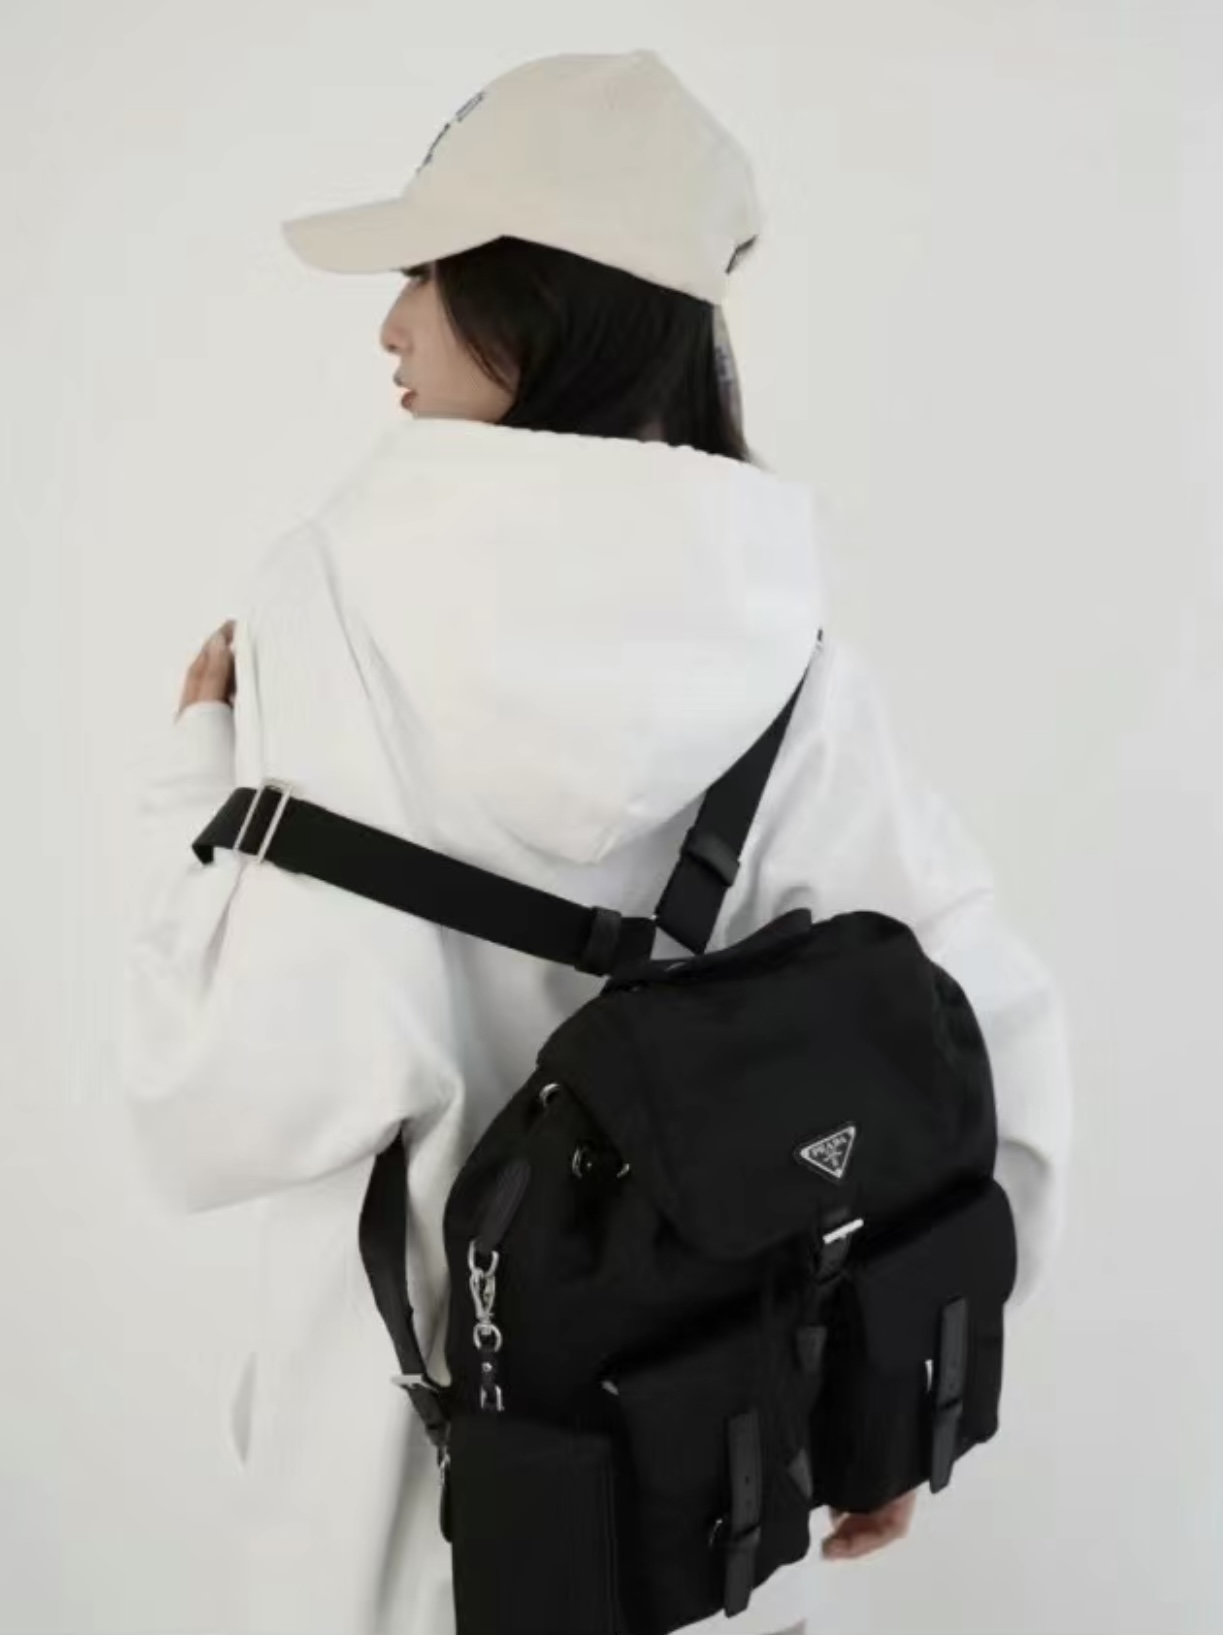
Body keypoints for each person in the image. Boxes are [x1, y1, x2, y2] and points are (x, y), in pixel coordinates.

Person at [123, 48, 1074, 1635]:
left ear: (535, 298)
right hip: (693, 1485)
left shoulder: (325, 604)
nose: (389, 325)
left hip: (392, 1501)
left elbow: (221, 1094)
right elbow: (975, 1029)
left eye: (428, 271)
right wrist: (895, 1375)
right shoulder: (785, 646)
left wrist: (190, 779)